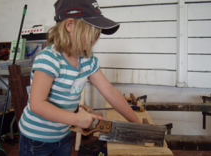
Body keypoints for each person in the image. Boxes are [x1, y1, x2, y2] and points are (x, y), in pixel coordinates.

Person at [18, 0, 141, 155]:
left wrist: (137, 124)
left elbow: (110, 91)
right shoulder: (49, 59)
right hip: (36, 139)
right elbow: (37, 104)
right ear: (70, 25)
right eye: (92, 30)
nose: (96, 36)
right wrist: (76, 119)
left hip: (63, 135)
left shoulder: (88, 60)